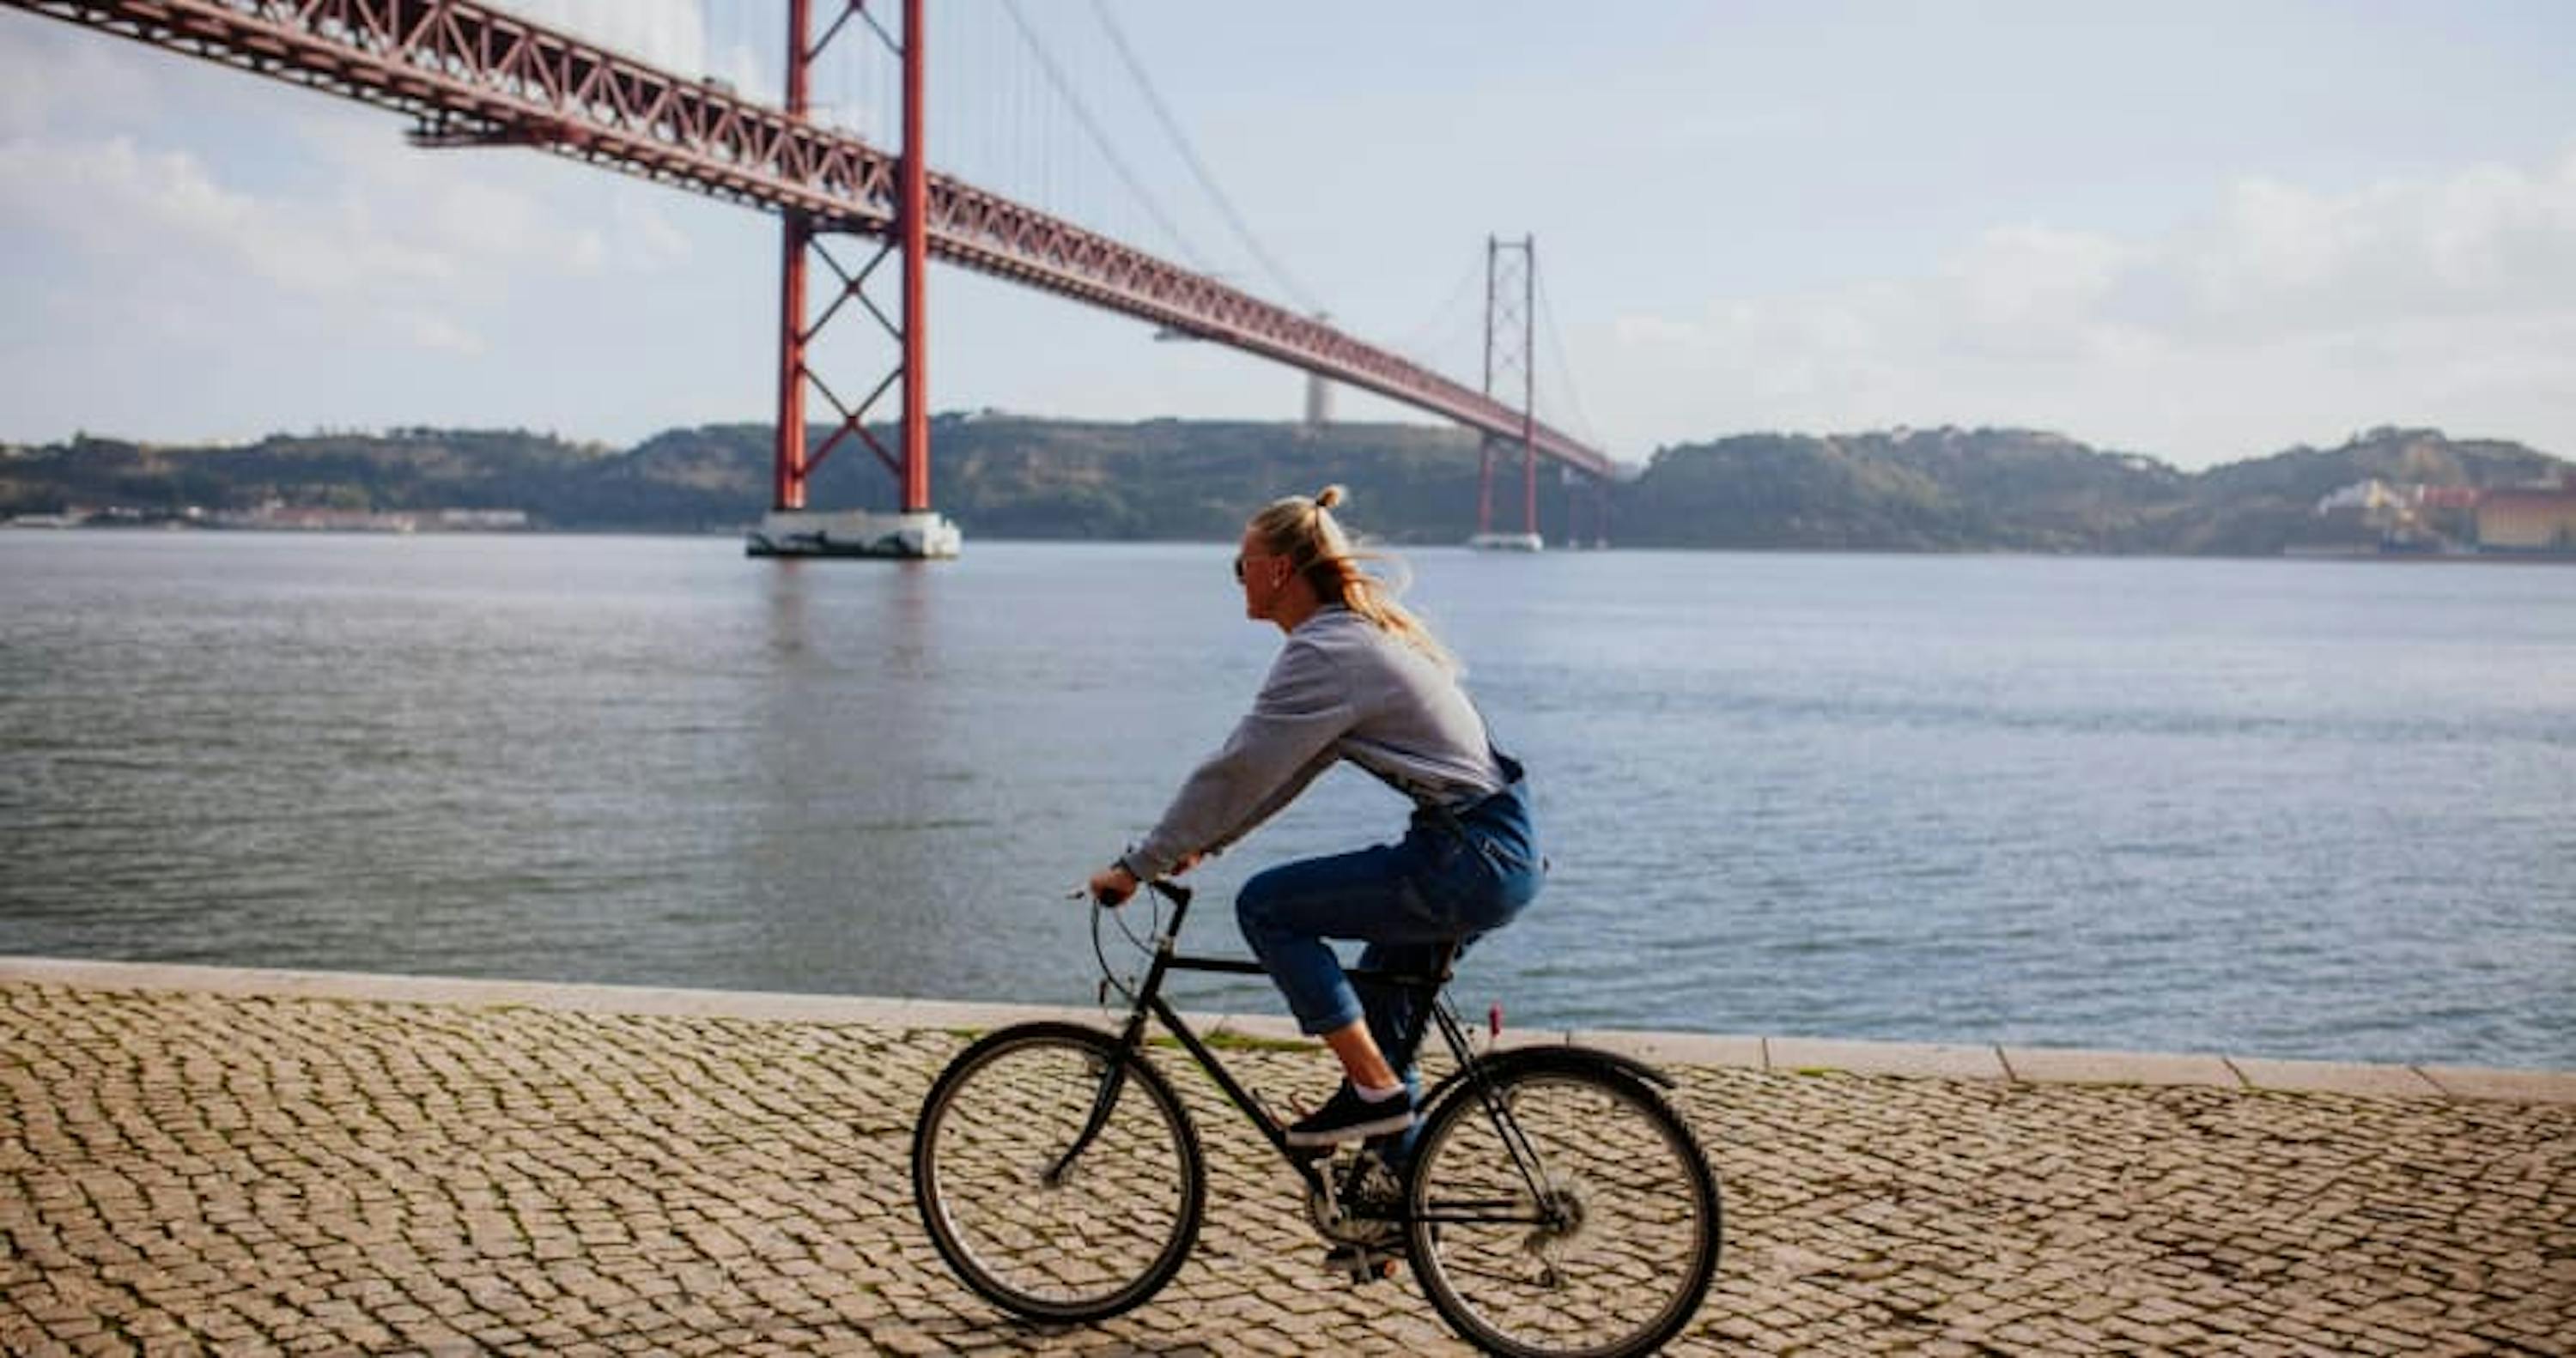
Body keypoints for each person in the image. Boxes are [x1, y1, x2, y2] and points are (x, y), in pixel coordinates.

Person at [1088, 485, 1543, 1148]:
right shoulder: (1350, 640)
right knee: (1382, 1043)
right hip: (1492, 849)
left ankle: (1375, 1093)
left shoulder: (1326, 653)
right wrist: (1206, 844)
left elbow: (1238, 768)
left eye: (1240, 565)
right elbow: (1282, 772)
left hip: (1468, 857)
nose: (1238, 579)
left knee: (1267, 907)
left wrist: (1138, 864)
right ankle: (1391, 1229)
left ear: (1277, 570)